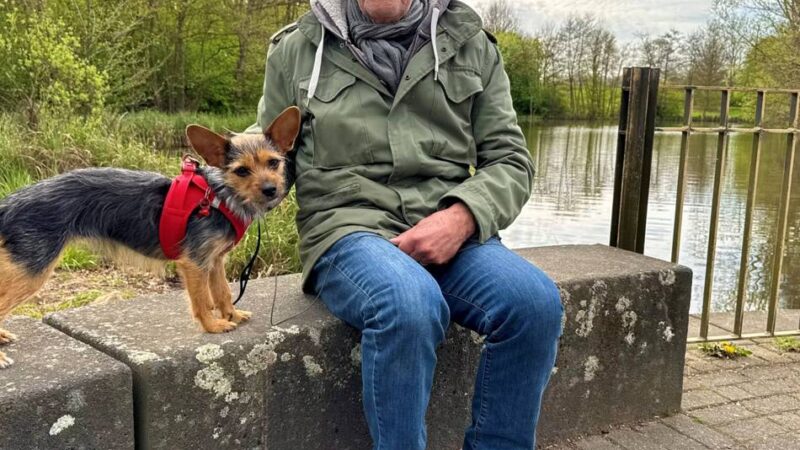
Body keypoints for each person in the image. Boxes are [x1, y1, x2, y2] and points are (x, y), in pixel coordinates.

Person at [247, 1, 563, 448]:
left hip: (450, 224)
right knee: (408, 303)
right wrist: (216, 185)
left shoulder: (470, 42)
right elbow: (272, 152)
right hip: (346, 227)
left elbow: (510, 160)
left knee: (534, 304)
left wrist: (462, 217)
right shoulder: (296, 49)